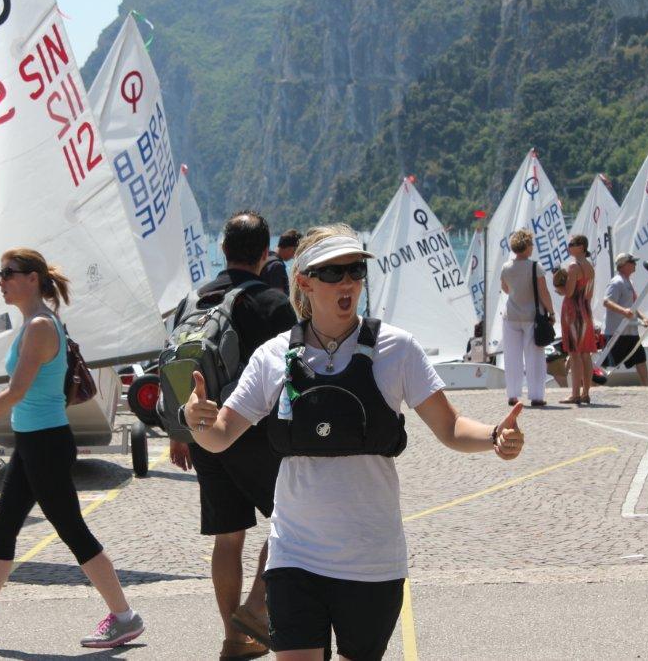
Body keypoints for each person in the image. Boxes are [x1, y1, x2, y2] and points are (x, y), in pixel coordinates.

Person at [184, 224, 525, 661]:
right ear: (304, 280)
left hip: (372, 560)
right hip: (294, 557)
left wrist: (496, 437)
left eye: (354, 271)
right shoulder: (273, 356)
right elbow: (219, 436)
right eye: (332, 273)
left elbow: (451, 427)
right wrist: (196, 420)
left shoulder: (397, 349)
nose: (347, 283)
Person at [0, 248, 143, 650]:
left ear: (32, 278)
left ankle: (125, 617)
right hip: (33, 443)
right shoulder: (32, 324)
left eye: (8, 273)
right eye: (0, 273)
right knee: (3, 528)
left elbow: (16, 391)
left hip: (46, 444)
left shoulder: (41, 326)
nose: (0, 281)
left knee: (72, 530)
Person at [169, 211, 298, 661]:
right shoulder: (273, 302)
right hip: (254, 432)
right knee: (290, 518)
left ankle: (232, 637)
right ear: (265, 255)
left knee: (228, 538)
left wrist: (180, 432)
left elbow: (179, 370)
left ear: (222, 249)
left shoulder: (195, 300)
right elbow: (293, 375)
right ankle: (254, 610)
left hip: (203, 431)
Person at [499, 229, 553, 407]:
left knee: (512, 356)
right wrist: (551, 312)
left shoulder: (506, 267)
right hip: (532, 315)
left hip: (511, 314)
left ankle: (513, 395)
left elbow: (506, 289)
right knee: (534, 356)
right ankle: (536, 395)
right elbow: (543, 292)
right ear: (527, 246)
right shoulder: (535, 267)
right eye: (531, 244)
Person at [602, 252, 648, 387]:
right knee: (605, 363)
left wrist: (644, 317)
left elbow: (633, 306)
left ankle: (646, 387)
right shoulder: (617, 282)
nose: (635, 265)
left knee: (640, 358)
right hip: (617, 331)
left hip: (630, 331)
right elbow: (606, 302)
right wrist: (624, 311)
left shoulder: (630, 282)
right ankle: (592, 387)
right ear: (623, 265)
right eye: (632, 262)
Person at [559, 235, 597, 404]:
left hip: (573, 312)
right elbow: (589, 293)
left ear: (581, 247)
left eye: (572, 244)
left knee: (575, 355)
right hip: (586, 310)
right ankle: (586, 392)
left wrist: (560, 288)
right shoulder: (590, 267)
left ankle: (575, 394)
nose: (569, 246)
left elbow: (568, 292)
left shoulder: (574, 267)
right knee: (586, 354)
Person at [260, 228, 302, 295]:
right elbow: (278, 298)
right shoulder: (277, 266)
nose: (293, 257)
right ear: (290, 249)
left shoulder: (266, 259)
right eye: (295, 252)